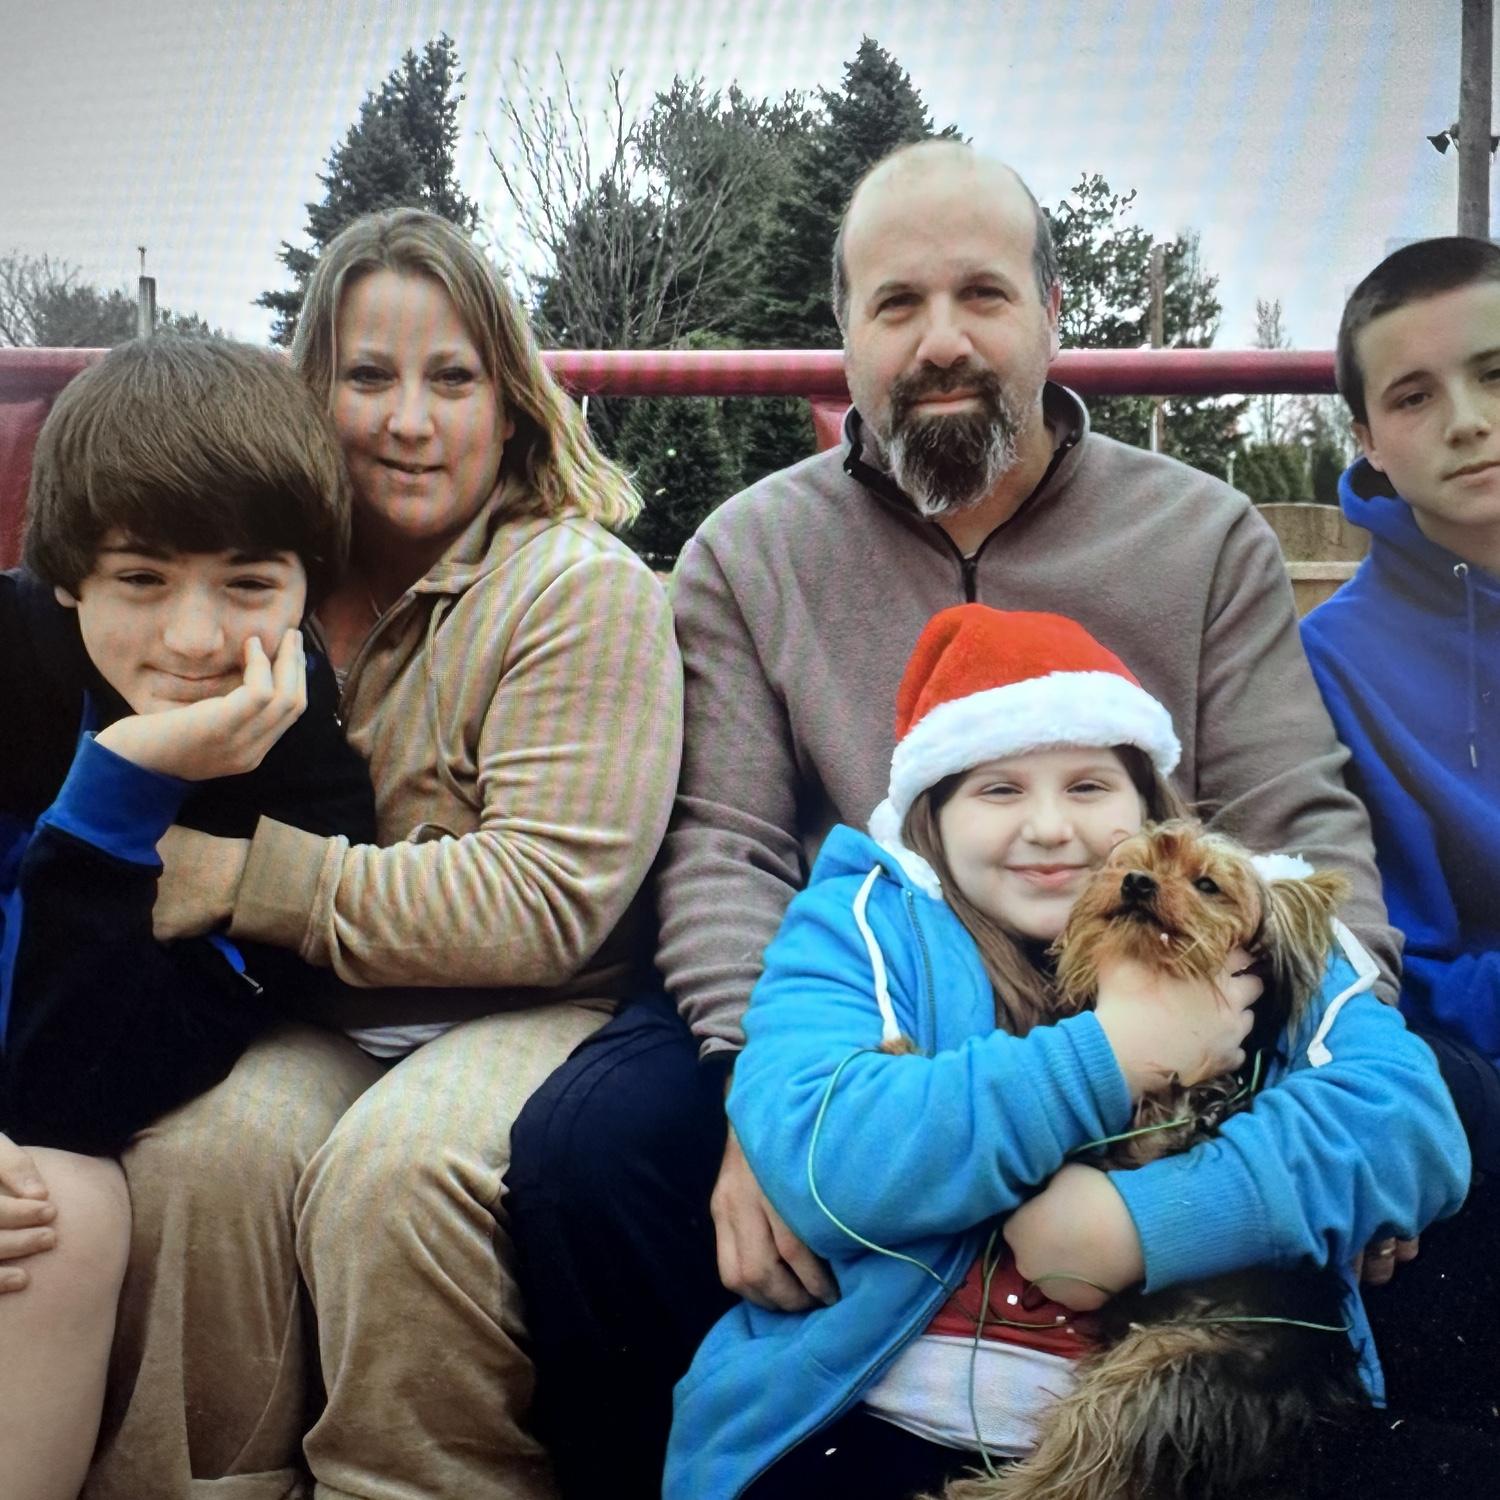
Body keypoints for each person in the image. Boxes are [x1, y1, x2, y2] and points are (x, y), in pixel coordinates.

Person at [506, 138, 1402, 1497]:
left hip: (1156, 969)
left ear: (1051, 314)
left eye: (982, 295)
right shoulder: (752, 548)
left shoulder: (1203, 533)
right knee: (590, 1147)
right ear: (845, 334)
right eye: (897, 304)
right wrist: (756, 1089)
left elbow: (1298, 821)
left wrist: (1315, 1059)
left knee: (1446, 1116)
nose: (941, 341)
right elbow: (726, 843)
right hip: (863, 985)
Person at [80, 209, 683, 1500]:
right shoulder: (262, 582)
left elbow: (544, 901)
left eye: (451, 379)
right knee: (194, 1166)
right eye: (367, 376)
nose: (409, 421)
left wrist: (238, 881)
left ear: (509, 408)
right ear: (314, 394)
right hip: (323, 1012)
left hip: (532, 1009)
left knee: (399, 1178)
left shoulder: (579, 589)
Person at [664, 603, 1467, 1499]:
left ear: (1148, 807)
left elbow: (1411, 1128)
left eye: (1089, 788)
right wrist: (1116, 1053)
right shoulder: (865, 928)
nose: (1049, 828)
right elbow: (823, 1158)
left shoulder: (1256, 933)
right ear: (931, 818)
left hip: (1198, 1424)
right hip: (873, 1410)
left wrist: (1138, 1224)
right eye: (998, 791)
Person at [0, 335, 375, 1500]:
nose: (197, 640)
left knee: (54, 1217)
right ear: (68, 578)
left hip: (27, 1144)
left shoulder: (308, 789)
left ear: (310, 591)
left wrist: (121, 791)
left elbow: (75, 1095)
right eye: (141, 580)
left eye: (249, 585)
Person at [1301, 235, 1500, 1430]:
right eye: (1416, 396)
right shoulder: (1335, 661)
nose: (1469, 422)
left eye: (1496, 373)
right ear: (1369, 438)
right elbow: (1392, 961)